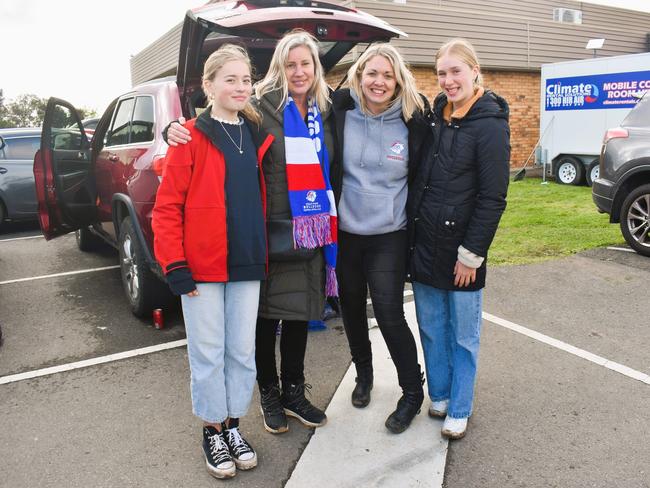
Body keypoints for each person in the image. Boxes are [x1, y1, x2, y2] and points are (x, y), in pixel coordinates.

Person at [166, 30, 336, 435]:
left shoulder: (328, 111)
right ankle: (260, 400)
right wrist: (174, 128)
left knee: (293, 318)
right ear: (278, 67)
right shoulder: (260, 109)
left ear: (316, 69)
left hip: (310, 232)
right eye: (290, 64)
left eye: (306, 64)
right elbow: (210, 125)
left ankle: (281, 398)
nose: (299, 71)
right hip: (265, 235)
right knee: (258, 324)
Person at [152, 44, 273, 479]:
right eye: (231, 79)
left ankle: (234, 425)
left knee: (241, 352)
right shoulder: (189, 136)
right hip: (201, 268)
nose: (241, 87)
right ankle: (212, 430)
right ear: (209, 85)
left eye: (246, 80)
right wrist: (175, 264)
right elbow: (166, 209)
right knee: (208, 354)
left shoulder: (255, 132)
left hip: (246, 263)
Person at [407, 38, 510, 440]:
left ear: (474, 71)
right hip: (425, 243)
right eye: (442, 74)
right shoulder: (436, 117)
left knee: (464, 334)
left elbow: (493, 196)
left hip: (462, 250)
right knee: (432, 326)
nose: (449, 81)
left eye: (456, 71)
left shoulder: (490, 125)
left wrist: (472, 254)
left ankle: (461, 406)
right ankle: (443, 394)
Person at [330, 43, 430, 434]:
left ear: (398, 80)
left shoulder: (415, 118)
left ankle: (411, 391)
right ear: (358, 75)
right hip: (347, 233)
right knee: (350, 308)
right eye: (372, 73)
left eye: (388, 75)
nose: (379, 81)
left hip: (390, 233)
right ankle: (364, 375)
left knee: (389, 312)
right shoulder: (337, 110)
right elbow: (286, 102)